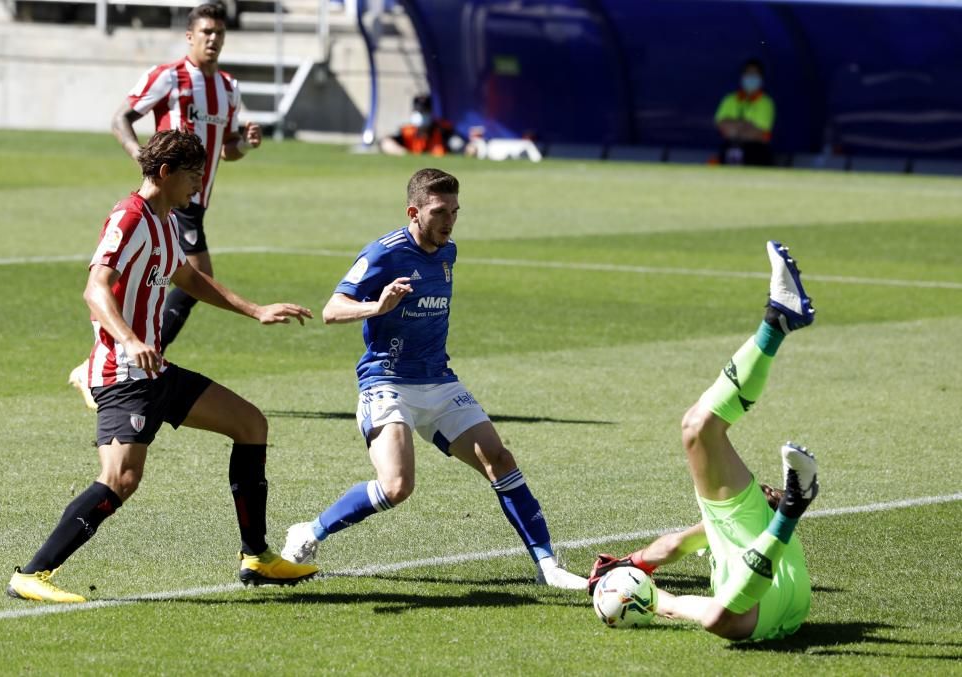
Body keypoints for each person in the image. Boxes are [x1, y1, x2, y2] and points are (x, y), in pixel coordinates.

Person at [7, 130, 318, 603]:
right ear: (167, 172)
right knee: (121, 480)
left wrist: (255, 309)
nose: (200, 184)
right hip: (122, 375)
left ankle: (255, 556)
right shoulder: (128, 219)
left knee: (251, 424)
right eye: (194, 174)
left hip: (156, 372)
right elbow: (95, 289)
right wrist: (130, 340)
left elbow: (189, 278)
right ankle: (31, 574)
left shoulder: (165, 220)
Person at [280, 168, 587, 590]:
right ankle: (309, 532)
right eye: (440, 211)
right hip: (386, 382)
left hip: (439, 382)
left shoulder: (448, 251)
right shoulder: (383, 254)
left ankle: (548, 567)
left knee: (500, 460)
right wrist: (378, 307)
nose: (449, 221)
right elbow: (333, 309)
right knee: (397, 486)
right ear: (414, 211)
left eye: (455, 211)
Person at [588, 241, 819, 640]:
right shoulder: (723, 525)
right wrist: (636, 571)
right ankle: (776, 323)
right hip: (763, 594)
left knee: (716, 617)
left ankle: (777, 321)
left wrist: (638, 576)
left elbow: (673, 549)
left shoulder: (720, 527)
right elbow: (672, 553)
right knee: (697, 429)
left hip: (771, 606)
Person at [69, 3, 261, 410]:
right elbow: (120, 117)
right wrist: (143, 157)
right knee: (193, 278)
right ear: (190, 36)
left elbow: (226, 151)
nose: (213, 39)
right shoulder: (168, 76)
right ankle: (120, 363)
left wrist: (244, 143)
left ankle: (126, 359)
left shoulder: (228, 87)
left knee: (165, 278)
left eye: (220, 33)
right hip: (170, 196)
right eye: (206, 32)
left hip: (197, 199)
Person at [715, 59, 775, 166]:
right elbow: (722, 125)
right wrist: (746, 125)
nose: (751, 77)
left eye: (754, 74)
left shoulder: (766, 102)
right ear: (742, 76)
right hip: (731, 146)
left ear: (761, 78)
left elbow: (761, 133)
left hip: (756, 150)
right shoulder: (729, 99)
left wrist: (735, 126)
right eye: (748, 73)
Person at [379, 95, 467, 157]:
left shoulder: (443, 130)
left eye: (424, 112)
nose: (420, 116)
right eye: (418, 112)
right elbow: (386, 143)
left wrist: (469, 149)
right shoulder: (407, 131)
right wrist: (402, 153)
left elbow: (459, 145)